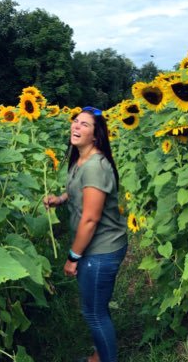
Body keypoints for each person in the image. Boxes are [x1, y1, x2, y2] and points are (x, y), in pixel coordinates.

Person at [43, 106, 128, 362]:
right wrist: (61, 199)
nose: (76, 127)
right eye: (76, 122)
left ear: (96, 135)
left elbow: (90, 219)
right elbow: (82, 190)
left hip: (100, 250)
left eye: (85, 125)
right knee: (97, 308)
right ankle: (99, 356)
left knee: (94, 313)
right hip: (97, 247)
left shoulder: (95, 166)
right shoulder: (82, 160)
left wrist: (73, 257)